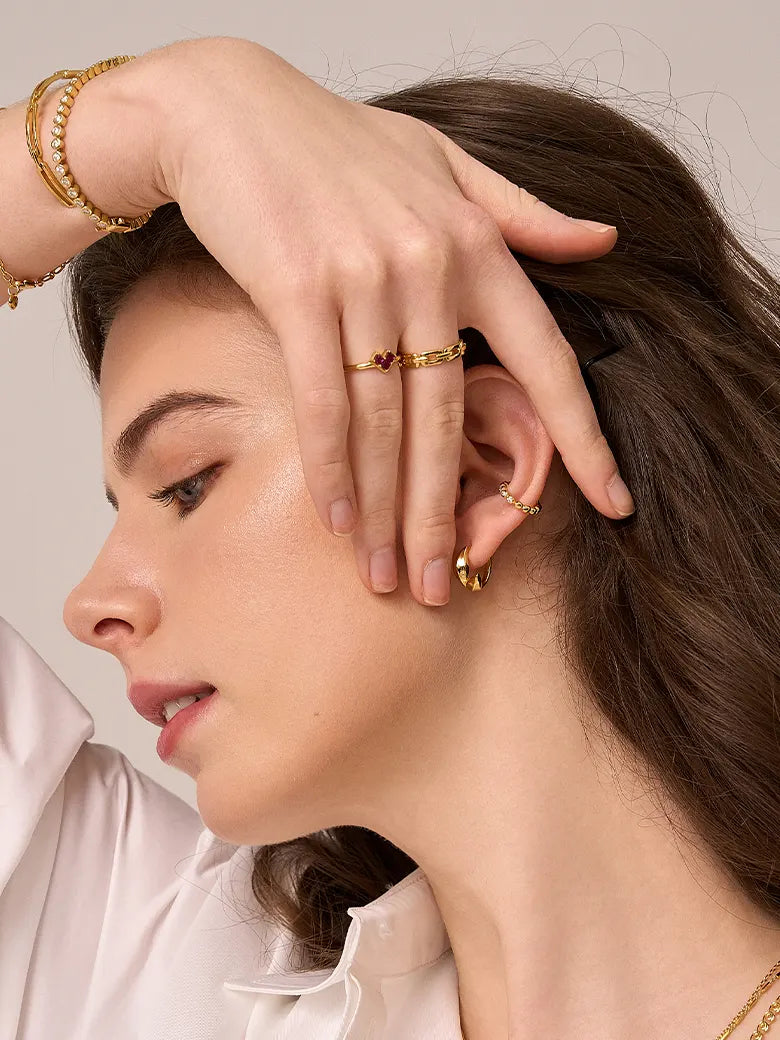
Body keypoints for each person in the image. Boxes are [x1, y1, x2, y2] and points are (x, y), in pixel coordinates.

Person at [1, 33, 778, 1040]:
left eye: (188, 484)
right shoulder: (159, 970)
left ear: (480, 464)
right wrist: (159, 117)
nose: (91, 601)